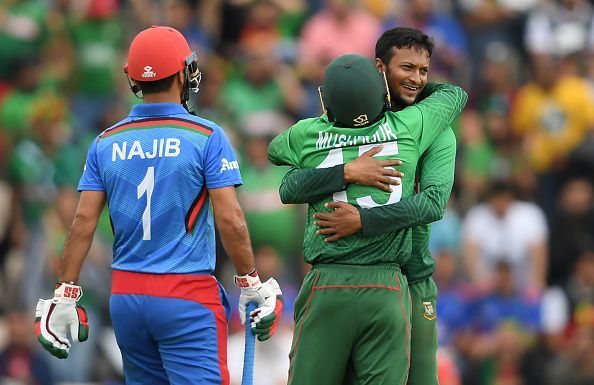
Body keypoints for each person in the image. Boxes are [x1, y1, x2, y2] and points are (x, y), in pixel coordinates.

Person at [33, 25, 283, 385]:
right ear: (184, 72)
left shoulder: (105, 141)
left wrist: (65, 292)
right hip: (187, 296)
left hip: (127, 297)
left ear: (133, 78)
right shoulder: (206, 135)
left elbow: (83, 222)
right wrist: (249, 281)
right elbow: (231, 219)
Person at [268, 53, 467, 385]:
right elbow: (456, 95)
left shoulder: (309, 132)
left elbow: (278, 160)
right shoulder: (413, 124)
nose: (415, 78)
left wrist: (361, 212)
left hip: (334, 279)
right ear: (383, 81)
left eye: (421, 71)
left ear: (325, 102)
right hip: (389, 282)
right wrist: (349, 170)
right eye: (407, 70)